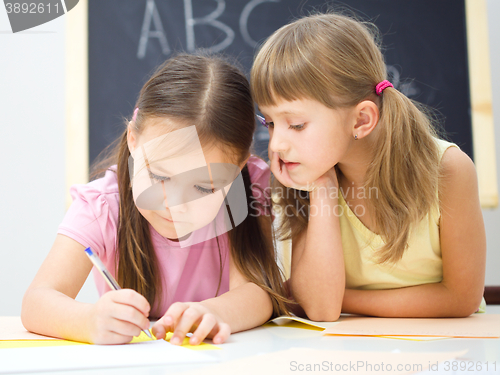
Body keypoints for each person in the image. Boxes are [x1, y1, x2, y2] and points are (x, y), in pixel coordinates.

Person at [21, 53, 288, 345]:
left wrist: (213, 312)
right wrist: (87, 321)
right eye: (160, 177)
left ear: (237, 169)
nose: (174, 204)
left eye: (203, 188)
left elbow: (258, 291)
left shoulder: (249, 188)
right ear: (134, 141)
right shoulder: (102, 205)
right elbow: (37, 301)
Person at [250, 13, 486, 321]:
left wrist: (343, 297)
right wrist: (322, 190)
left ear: (361, 119)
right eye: (269, 123)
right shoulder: (308, 175)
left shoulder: (448, 169)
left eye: (296, 124)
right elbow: (321, 308)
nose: (276, 144)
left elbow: (460, 299)